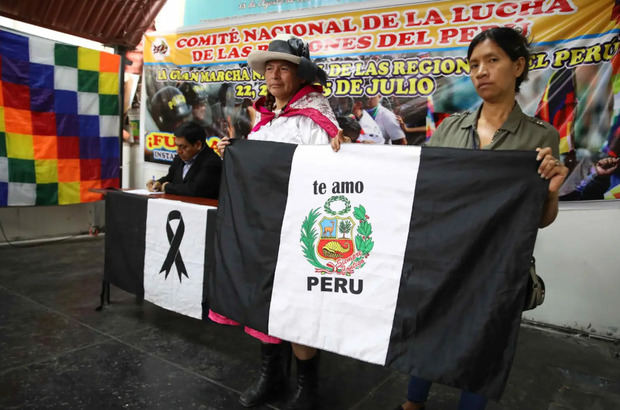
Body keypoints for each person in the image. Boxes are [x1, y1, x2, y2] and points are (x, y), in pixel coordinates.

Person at [396, 27, 568, 410]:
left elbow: (539, 220)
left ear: (518, 66)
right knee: (429, 329)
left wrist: (552, 189)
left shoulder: (540, 138)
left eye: (493, 60)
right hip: (443, 260)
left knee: (484, 344)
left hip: (497, 268)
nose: (481, 72)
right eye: (474, 64)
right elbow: (421, 190)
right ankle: (413, 402)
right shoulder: (449, 129)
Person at [216, 34, 341, 410]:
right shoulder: (266, 120)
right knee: (265, 304)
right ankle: (272, 378)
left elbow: (325, 177)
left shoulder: (315, 121)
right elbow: (255, 171)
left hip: (297, 230)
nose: (273, 75)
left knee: (299, 310)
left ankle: (307, 387)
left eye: (282, 68)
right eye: (269, 68)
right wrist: (233, 155)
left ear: (300, 74)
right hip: (265, 231)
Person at [146, 121, 221, 199]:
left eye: (183, 147)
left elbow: (194, 190)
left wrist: (167, 187)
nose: (178, 151)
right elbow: (170, 177)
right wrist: (158, 183)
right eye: (177, 146)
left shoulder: (212, 162)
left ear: (198, 145)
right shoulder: (179, 157)